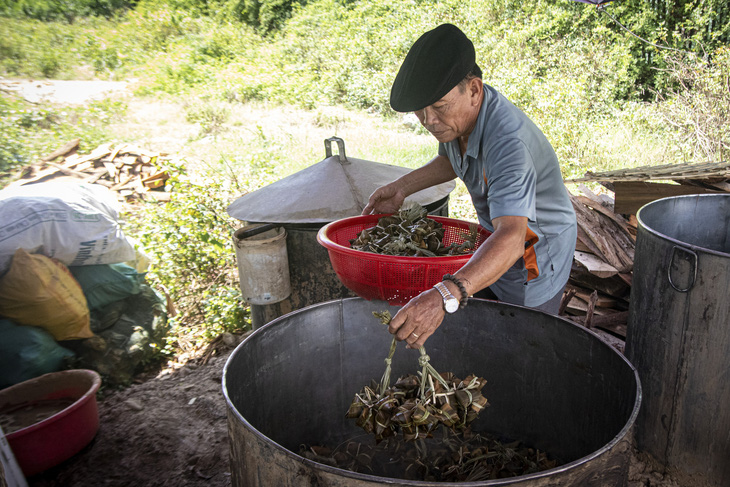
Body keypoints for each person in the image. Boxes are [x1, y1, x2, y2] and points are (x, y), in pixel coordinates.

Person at [362, 23, 577, 349]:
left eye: (439, 107)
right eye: (420, 110)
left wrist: (444, 295)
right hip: (499, 238)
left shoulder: (509, 146)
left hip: (535, 251)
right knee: (485, 320)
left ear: (474, 90)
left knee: (521, 345)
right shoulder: (457, 124)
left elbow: (512, 237)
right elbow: (452, 161)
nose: (429, 120)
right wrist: (403, 187)